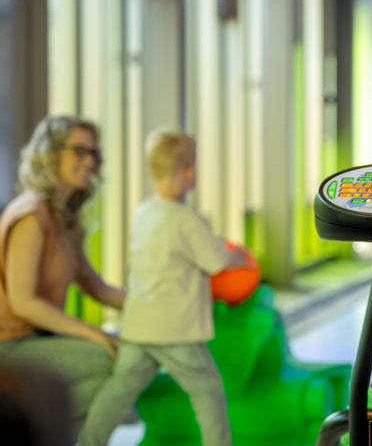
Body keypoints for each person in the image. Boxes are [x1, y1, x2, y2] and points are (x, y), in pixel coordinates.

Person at [79, 127, 248, 446]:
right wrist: (236, 255)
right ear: (189, 171)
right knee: (207, 390)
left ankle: (90, 441)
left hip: (137, 325)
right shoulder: (186, 219)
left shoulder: (144, 212)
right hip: (174, 330)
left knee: (120, 389)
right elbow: (215, 259)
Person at [0, 116, 126, 436]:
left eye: (94, 154)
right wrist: (96, 334)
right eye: (79, 151)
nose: (89, 161)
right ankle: (43, 432)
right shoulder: (30, 216)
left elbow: (96, 287)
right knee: (109, 360)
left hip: (35, 339)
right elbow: (24, 302)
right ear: (51, 153)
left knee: (123, 359)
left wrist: (159, 305)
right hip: (8, 344)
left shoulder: (63, 219)